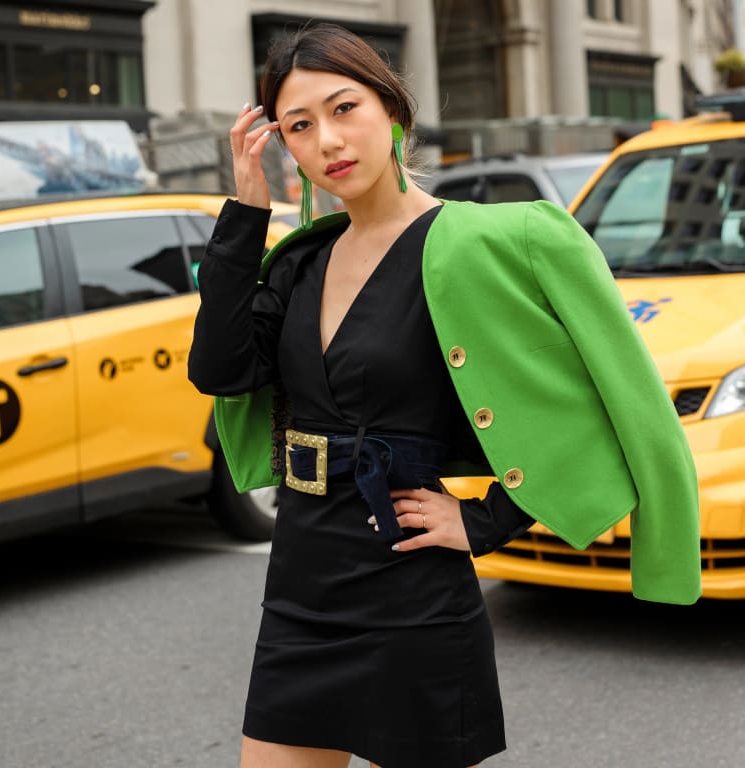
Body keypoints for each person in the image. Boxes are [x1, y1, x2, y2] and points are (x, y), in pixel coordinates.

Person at [188, 22, 701, 768]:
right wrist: (245, 215)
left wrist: (490, 519)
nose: (328, 140)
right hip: (302, 584)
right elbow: (220, 370)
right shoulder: (300, 264)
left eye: (344, 109)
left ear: (392, 112)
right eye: (300, 126)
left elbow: (614, 397)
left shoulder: (498, 240)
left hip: (413, 591)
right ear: (283, 146)